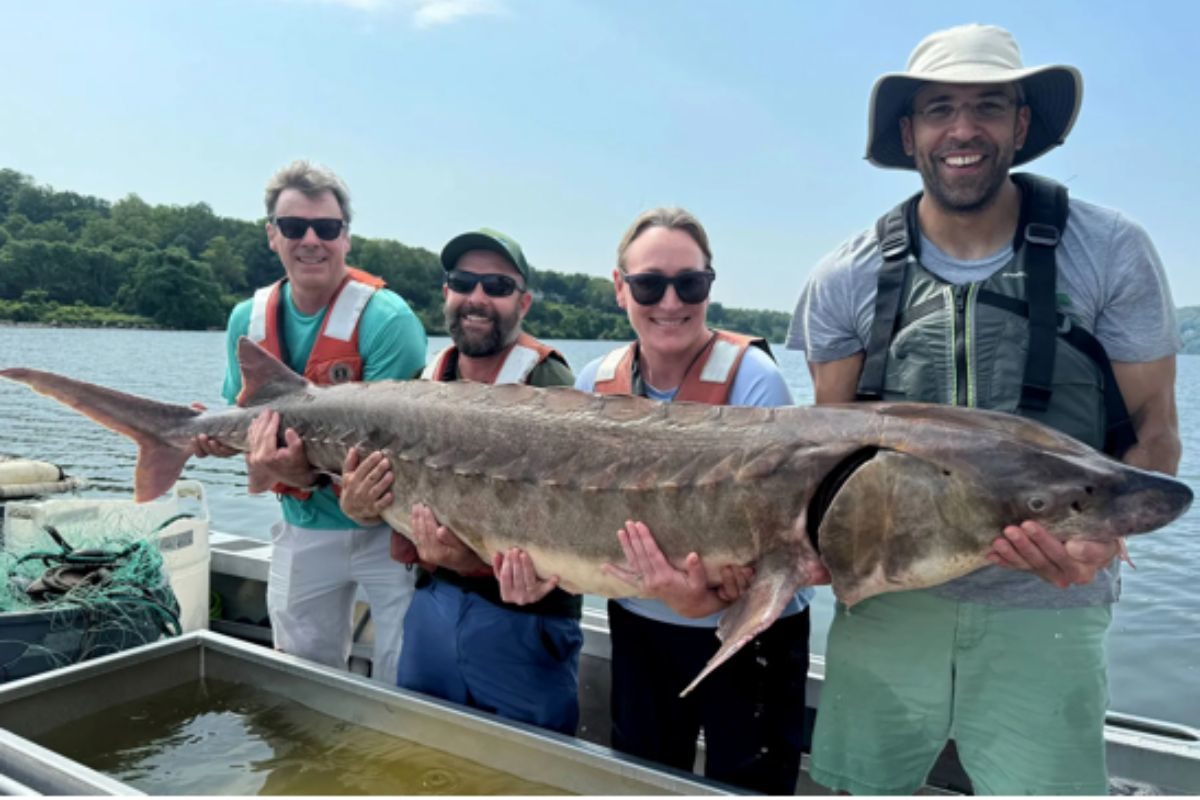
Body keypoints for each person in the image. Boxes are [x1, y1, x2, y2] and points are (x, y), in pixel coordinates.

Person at [788, 24, 1181, 795]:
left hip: (1053, 604)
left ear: (1022, 124)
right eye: (939, 109)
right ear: (909, 132)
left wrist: (1101, 541)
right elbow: (820, 460)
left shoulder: (1110, 250)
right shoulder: (845, 275)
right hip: (888, 607)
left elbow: (1157, 430)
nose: (962, 130)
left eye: (988, 107)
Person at [572, 207, 813, 794]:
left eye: (691, 284)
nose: (670, 302)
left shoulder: (756, 382)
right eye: (650, 284)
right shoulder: (589, 384)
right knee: (644, 780)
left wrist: (699, 602)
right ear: (619, 289)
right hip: (638, 626)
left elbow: (785, 538)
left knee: (749, 783)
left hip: (753, 634)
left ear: (710, 286)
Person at [337, 228, 584, 736]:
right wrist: (358, 504)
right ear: (446, 293)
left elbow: (576, 520)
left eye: (496, 285)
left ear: (524, 302)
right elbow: (381, 494)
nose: (477, 297)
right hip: (430, 604)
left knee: (526, 775)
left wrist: (473, 562)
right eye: (463, 282)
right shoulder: (423, 381)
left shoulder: (550, 385)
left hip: (522, 621)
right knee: (422, 755)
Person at [193, 160, 427, 683]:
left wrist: (296, 472)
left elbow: (399, 454)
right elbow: (248, 428)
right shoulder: (245, 321)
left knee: (405, 676)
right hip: (303, 528)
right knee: (300, 682)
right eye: (295, 227)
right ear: (272, 235)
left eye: (327, 228)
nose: (311, 241)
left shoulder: (390, 321)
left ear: (346, 237)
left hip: (389, 532)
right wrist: (217, 441)